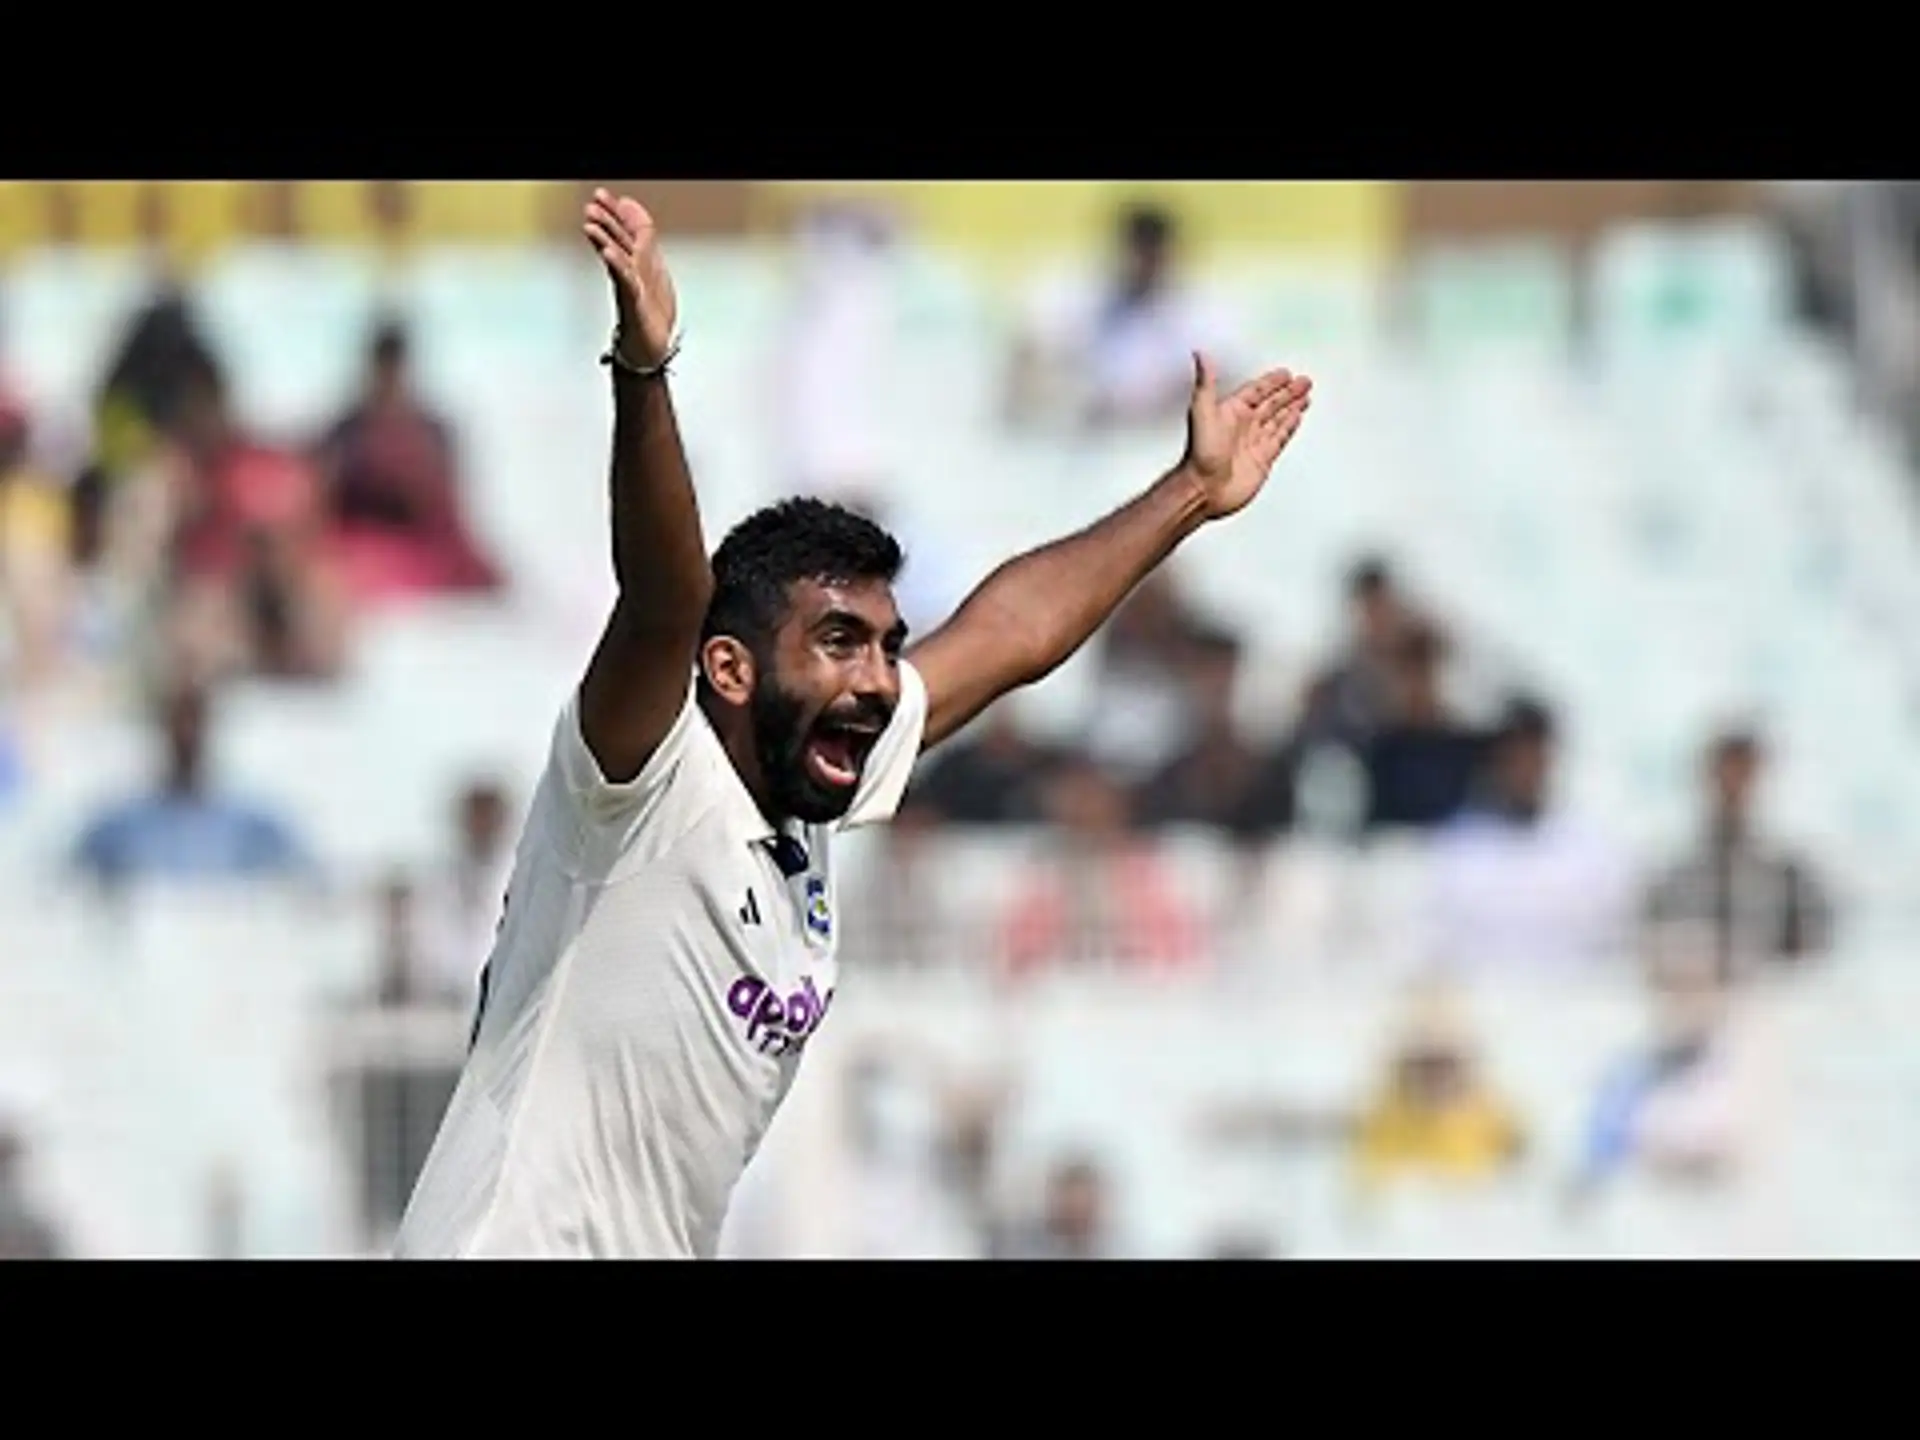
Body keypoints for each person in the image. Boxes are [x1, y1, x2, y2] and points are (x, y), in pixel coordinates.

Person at [392, 188, 1314, 1260]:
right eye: (839, 643)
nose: (879, 678)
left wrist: (1190, 494)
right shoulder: (638, 786)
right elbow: (660, 604)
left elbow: (1008, 635)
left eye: (884, 644)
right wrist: (645, 374)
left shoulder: (813, 795)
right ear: (728, 669)